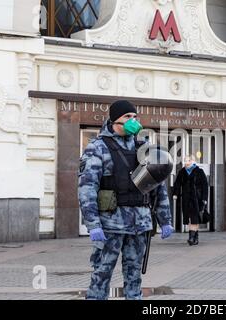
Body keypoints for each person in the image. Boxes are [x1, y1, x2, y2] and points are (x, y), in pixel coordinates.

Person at [78, 100, 174, 300]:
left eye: (135, 116)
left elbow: (158, 187)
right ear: (115, 120)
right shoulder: (98, 147)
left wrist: (165, 220)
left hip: (139, 224)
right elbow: (87, 189)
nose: (133, 121)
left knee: (134, 276)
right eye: (127, 117)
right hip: (110, 225)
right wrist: (93, 224)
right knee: (102, 274)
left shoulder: (144, 148)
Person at [172, 155, 208, 245]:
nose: (186, 162)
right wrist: (175, 193)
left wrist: (204, 198)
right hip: (186, 198)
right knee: (189, 217)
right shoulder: (182, 172)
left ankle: (191, 238)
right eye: (185, 161)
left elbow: (205, 185)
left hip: (197, 199)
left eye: (188, 160)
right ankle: (195, 237)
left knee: (194, 217)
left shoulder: (199, 171)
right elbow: (177, 183)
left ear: (193, 161)